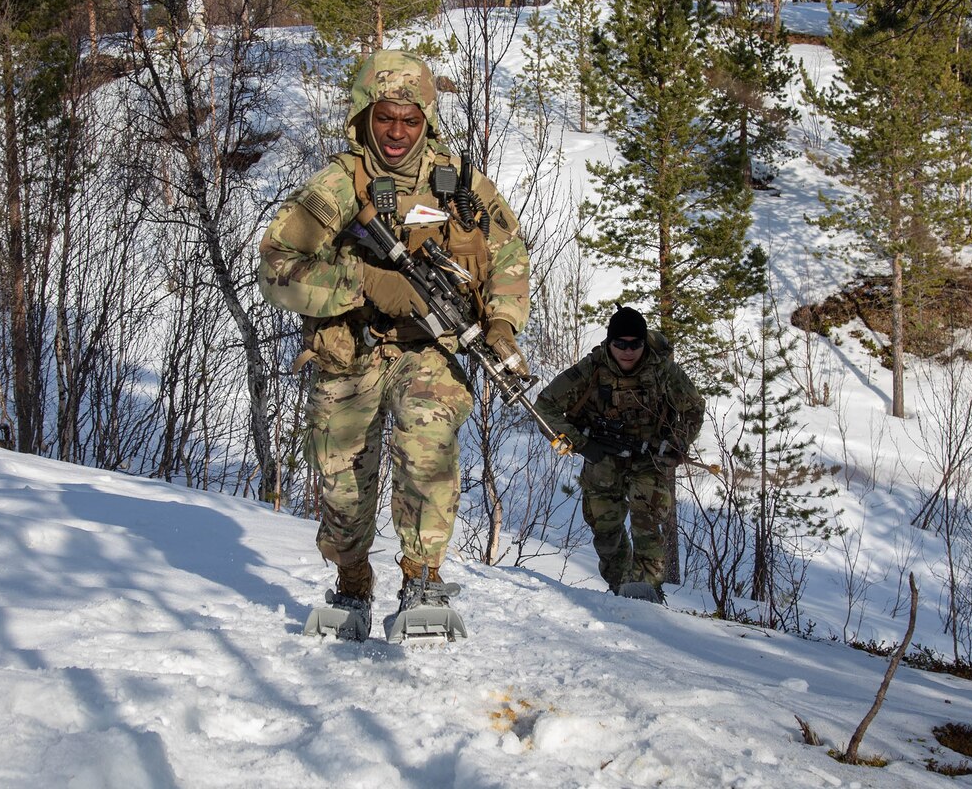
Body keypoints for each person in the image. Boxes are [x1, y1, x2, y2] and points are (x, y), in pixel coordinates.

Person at [258, 49, 530, 638]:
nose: (398, 132)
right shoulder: (335, 186)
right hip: (350, 348)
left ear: (426, 118)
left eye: (410, 119)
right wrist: (364, 282)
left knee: (427, 430)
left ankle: (423, 580)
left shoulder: (461, 184)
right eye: (386, 118)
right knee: (342, 480)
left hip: (429, 351)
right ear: (364, 116)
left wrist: (503, 323)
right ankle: (352, 582)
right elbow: (276, 268)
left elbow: (508, 258)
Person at [534, 306, 704, 602]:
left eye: (635, 344)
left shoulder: (662, 369)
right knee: (605, 528)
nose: (628, 351)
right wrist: (581, 443)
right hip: (603, 457)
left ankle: (647, 593)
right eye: (620, 344)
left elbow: (693, 407)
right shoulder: (591, 368)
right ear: (609, 343)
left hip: (649, 456)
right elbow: (544, 406)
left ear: (643, 343)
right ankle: (619, 592)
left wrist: (676, 444)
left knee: (648, 524)